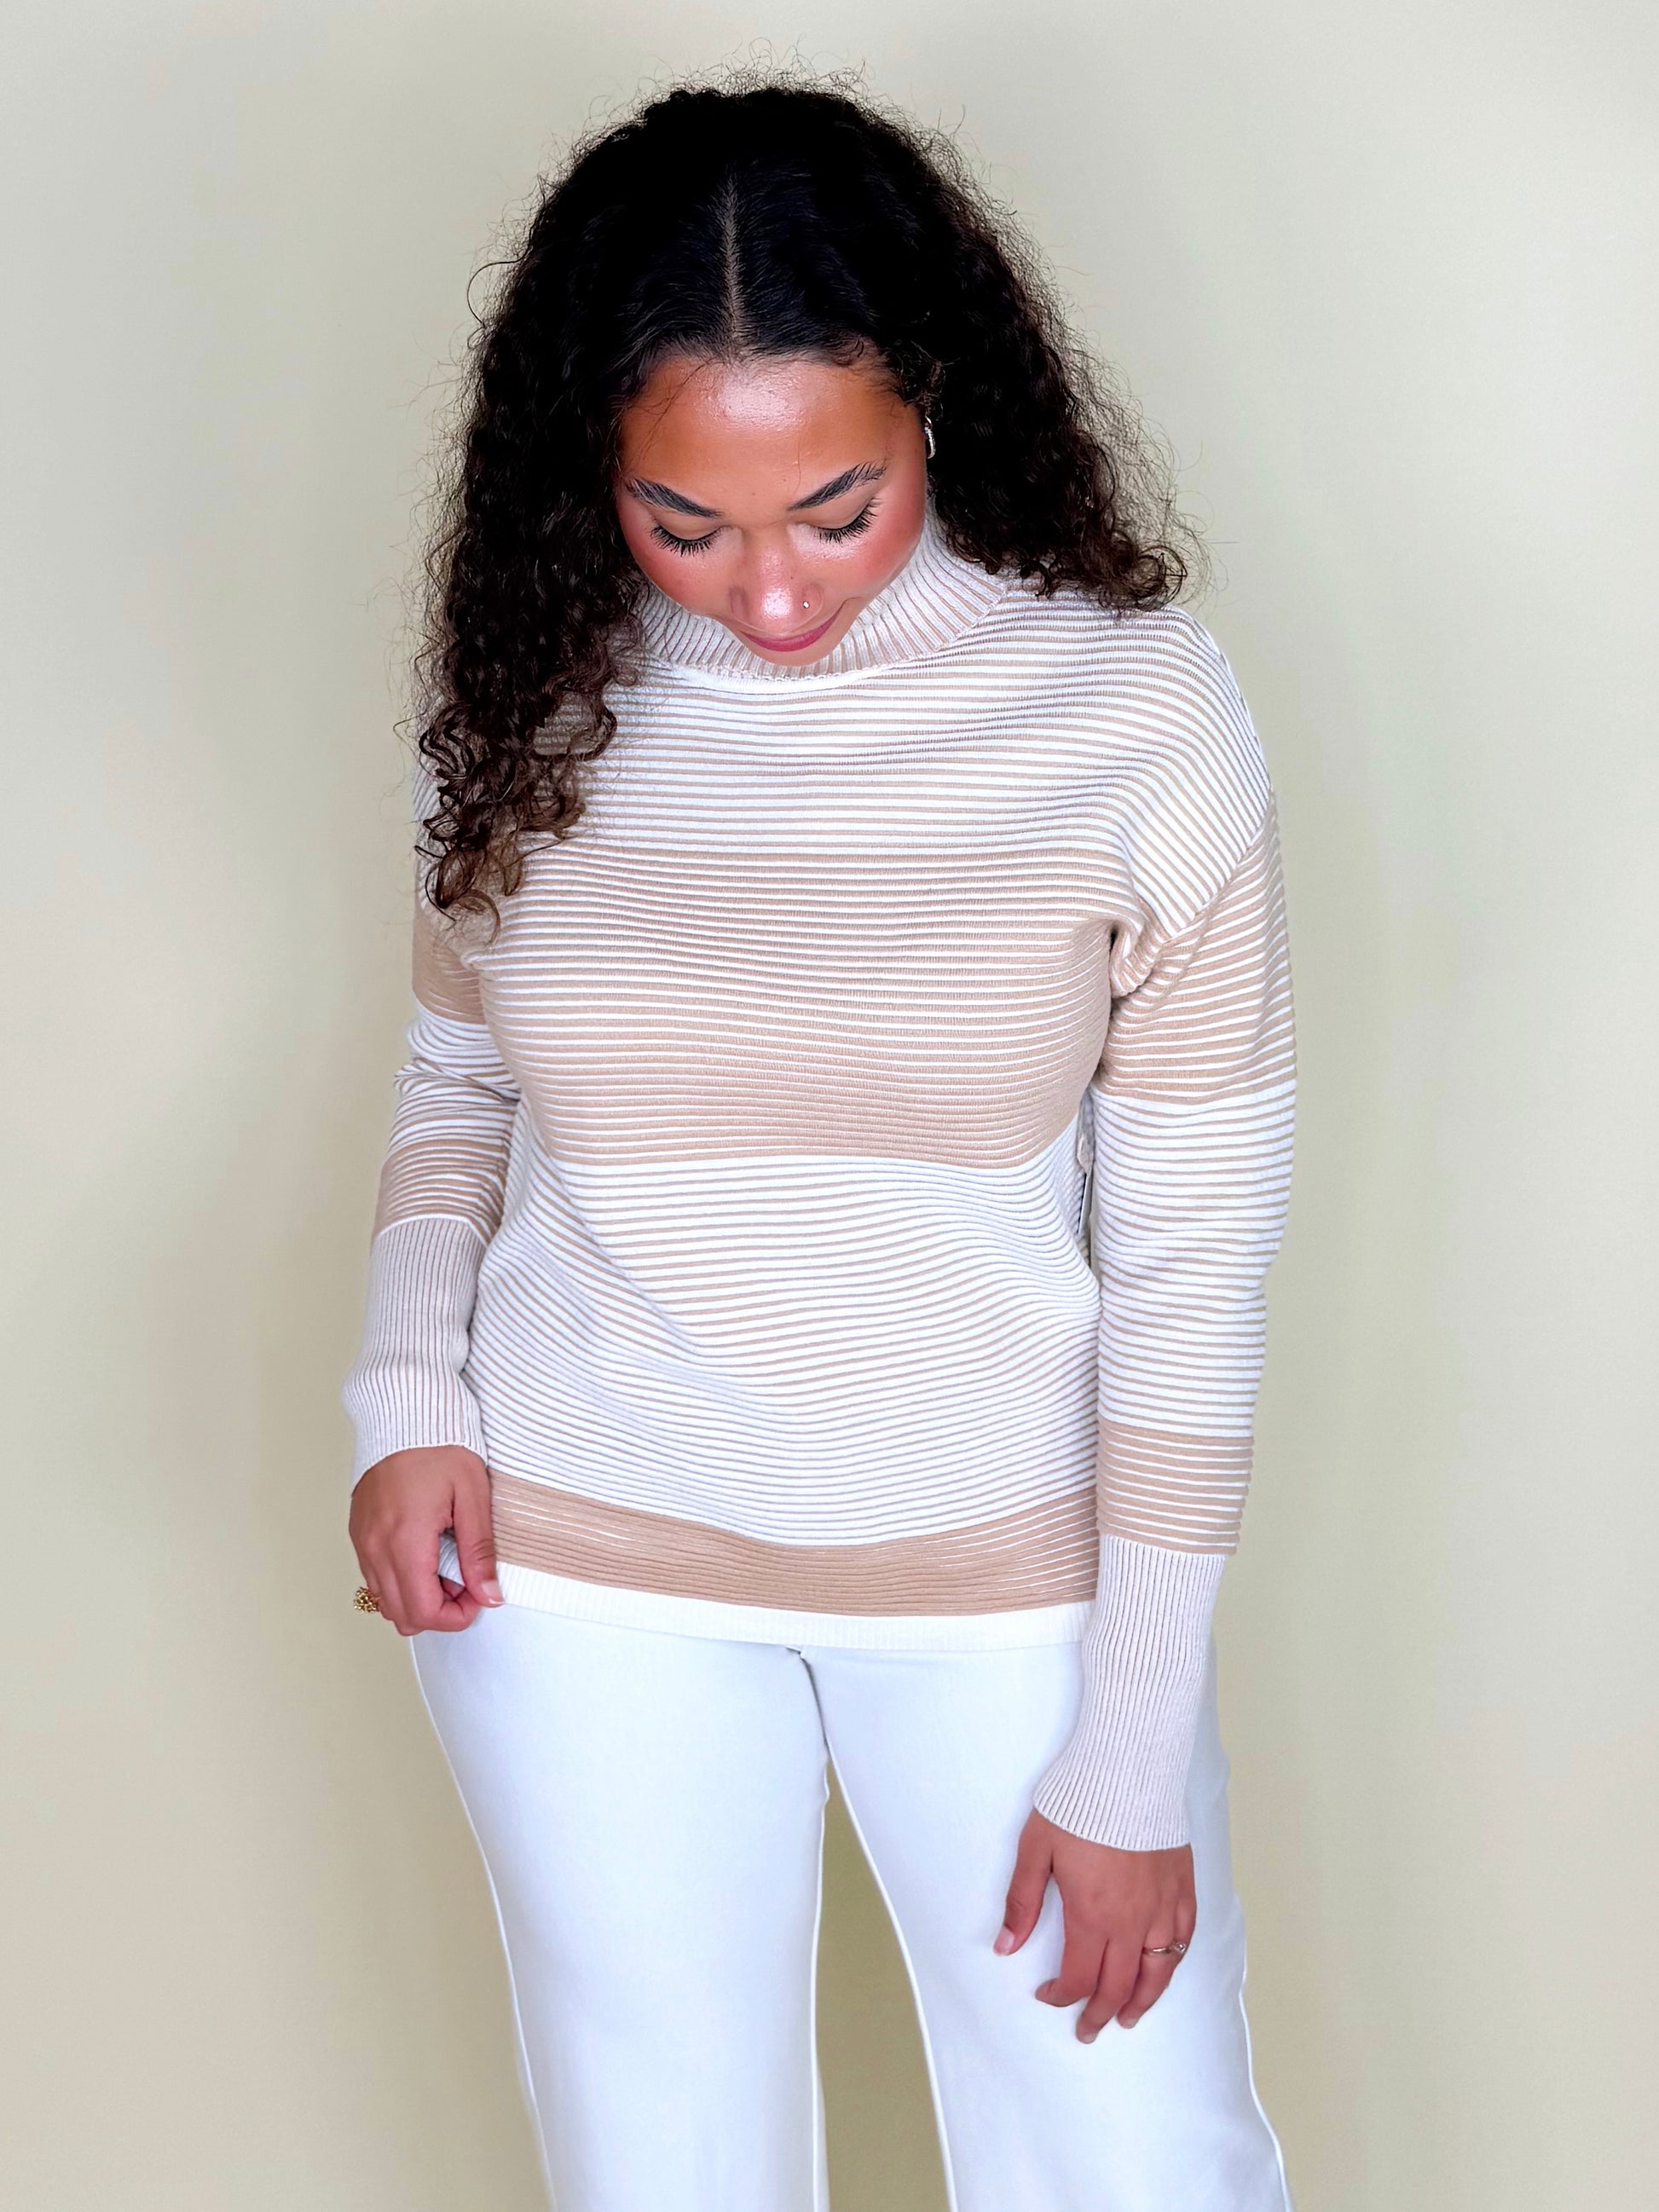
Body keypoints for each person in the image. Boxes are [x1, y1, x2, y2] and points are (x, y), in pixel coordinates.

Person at [343, 73, 1297, 2212]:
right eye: (683, 525)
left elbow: (1192, 1258)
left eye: (834, 508)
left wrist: (1133, 1744)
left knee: (1134, 2164)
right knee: (663, 2168)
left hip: (1007, 1578)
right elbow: (455, 1091)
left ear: (934, 407)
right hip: (577, 1560)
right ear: (589, 464)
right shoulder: (524, 695)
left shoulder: (1134, 717)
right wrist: (408, 1400)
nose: (767, 595)